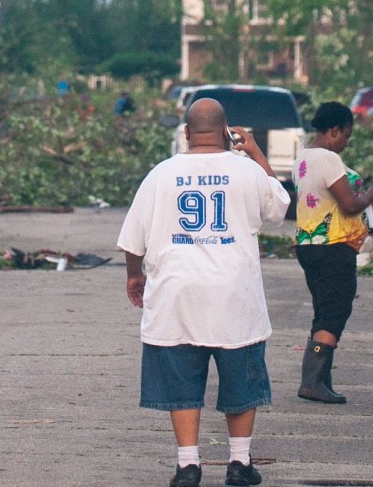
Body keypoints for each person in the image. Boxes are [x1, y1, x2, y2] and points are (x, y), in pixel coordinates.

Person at [120, 96, 292, 487]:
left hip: (176, 295)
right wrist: (256, 152)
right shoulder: (246, 171)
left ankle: (187, 465)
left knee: (181, 378)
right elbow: (280, 206)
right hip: (235, 296)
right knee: (241, 379)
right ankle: (239, 462)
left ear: (186, 133)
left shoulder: (161, 174)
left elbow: (134, 240)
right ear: (228, 131)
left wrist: (135, 276)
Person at [290, 101, 373, 404]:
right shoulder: (329, 159)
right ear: (335, 130)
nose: (346, 142)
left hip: (308, 245)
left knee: (324, 308)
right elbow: (349, 205)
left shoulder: (303, 158)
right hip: (333, 247)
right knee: (335, 311)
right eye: (346, 135)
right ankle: (312, 382)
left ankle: (320, 379)